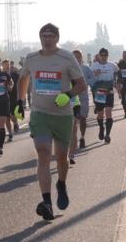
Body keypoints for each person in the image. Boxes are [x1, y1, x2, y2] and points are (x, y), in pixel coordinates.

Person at [21, 23, 86, 220]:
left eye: (50, 36)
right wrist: (19, 100)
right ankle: (47, 201)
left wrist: (68, 95)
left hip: (62, 116)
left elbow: (81, 84)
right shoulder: (31, 59)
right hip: (40, 114)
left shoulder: (66, 57)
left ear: (57, 38)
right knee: (43, 152)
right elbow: (23, 79)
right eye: (43, 35)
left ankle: (62, 184)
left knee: (61, 157)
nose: (47, 39)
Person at [69, 49, 95, 164]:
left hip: (83, 97)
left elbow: (93, 79)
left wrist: (86, 82)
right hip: (72, 98)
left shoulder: (86, 68)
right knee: (73, 123)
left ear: (81, 58)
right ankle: (71, 149)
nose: (76, 59)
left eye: (78, 57)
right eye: (74, 57)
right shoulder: (67, 69)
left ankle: (82, 137)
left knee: (83, 119)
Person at [90, 47, 120, 143]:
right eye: (101, 55)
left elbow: (118, 72)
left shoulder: (112, 65)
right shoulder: (95, 65)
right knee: (100, 114)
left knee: (108, 112)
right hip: (100, 90)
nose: (103, 57)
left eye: (105, 55)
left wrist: (118, 83)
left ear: (107, 56)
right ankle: (101, 128)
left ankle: (107, 134)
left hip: (109, 90)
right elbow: (89, 77)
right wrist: (94, 73)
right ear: (99, 55)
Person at [0, 59, 15, 155]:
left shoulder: (5, 74)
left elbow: (11, 82)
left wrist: (10, 86)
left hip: (3, 101)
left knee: (1, 124)